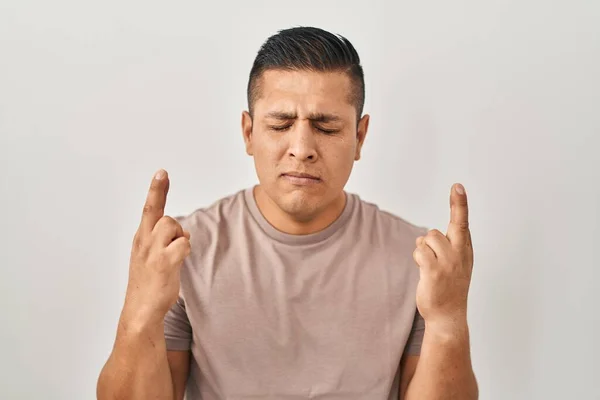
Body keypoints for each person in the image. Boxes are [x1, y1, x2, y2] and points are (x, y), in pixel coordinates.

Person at [97, 26, 478, 400]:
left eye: (326, 127)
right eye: (280, 124)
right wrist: (139, 313)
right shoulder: (183, 252)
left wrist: (447, 322)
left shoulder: (415, 260)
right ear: (248, 133)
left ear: (359, 137)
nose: (302, 148)